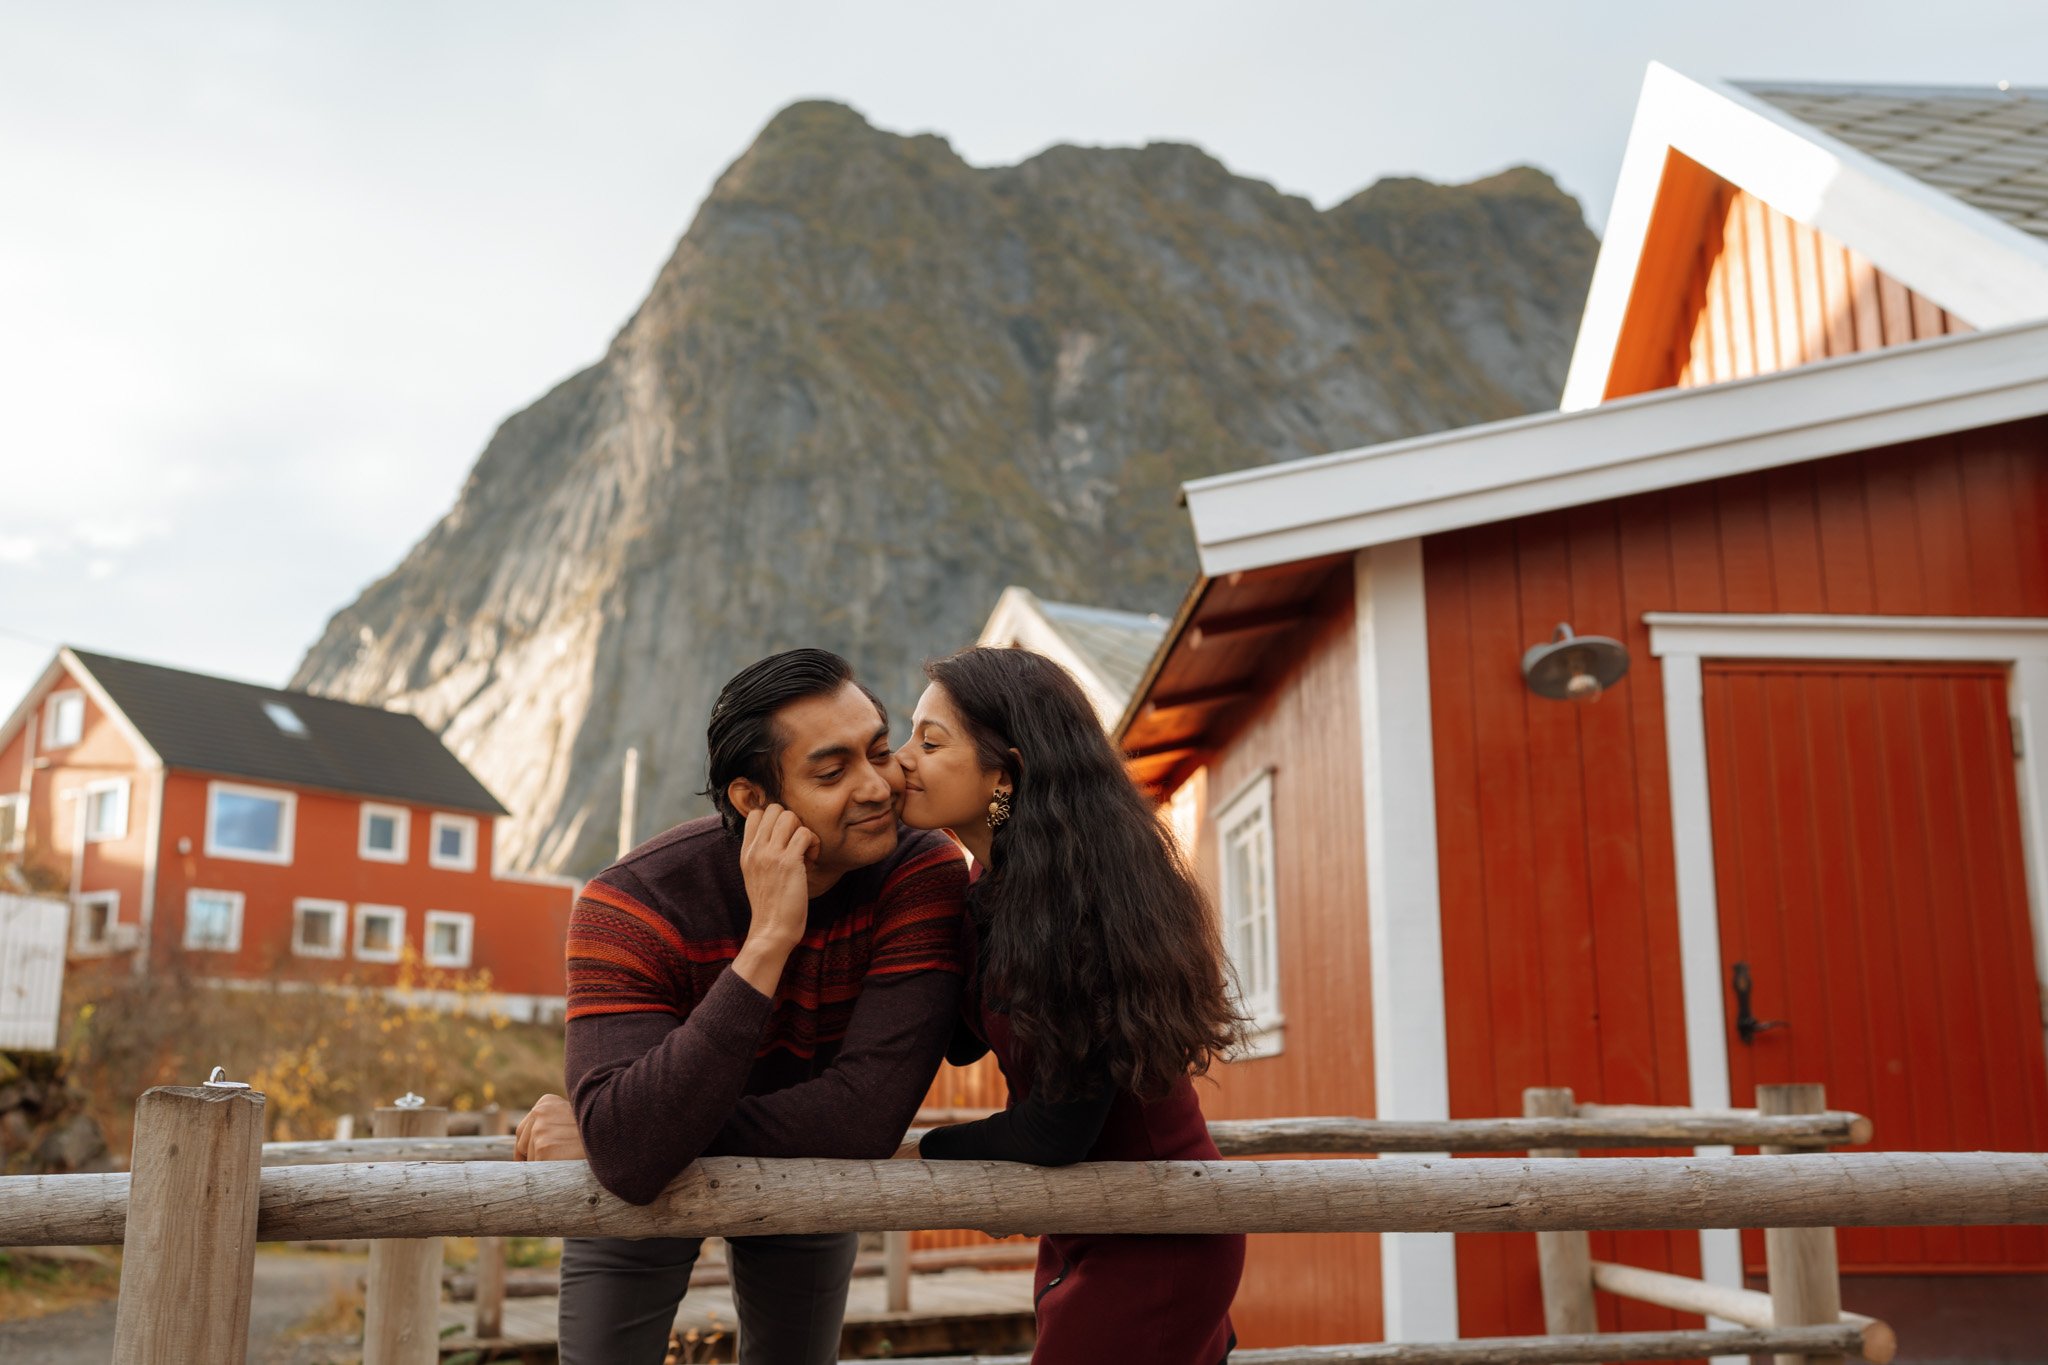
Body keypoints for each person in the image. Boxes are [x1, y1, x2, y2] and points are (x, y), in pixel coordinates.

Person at [514, 648, 969, 1365]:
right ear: (752, 798)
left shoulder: (920, 869)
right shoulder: (629, 903)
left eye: (878, 751)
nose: (877, 786)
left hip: (811, 1166)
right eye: (831, 770)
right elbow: (633, 1165)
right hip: (646, 1196)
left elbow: (867, 1112)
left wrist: (624, 1126)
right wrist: (767, 942)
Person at [896, 645, 1245, 1365]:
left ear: (1007, 774)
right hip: (1087, 1216)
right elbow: (961, 1038)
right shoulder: (995, 887)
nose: (901, 759)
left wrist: (928, 1154)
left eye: (930, 742)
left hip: (1156, 1231)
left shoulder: (1071, 908)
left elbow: (1057, 1130)